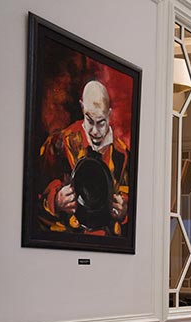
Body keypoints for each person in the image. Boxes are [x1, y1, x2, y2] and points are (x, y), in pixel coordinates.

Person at [37, 80, 131, 235]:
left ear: (109, 114)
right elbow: (33, 195)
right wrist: (56, 201)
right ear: (82, 108)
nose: (94, 131)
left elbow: (132, 204)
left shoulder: (122, 154)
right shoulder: (59, 144)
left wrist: (124, 210)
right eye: (89, 121)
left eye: (101, 123)